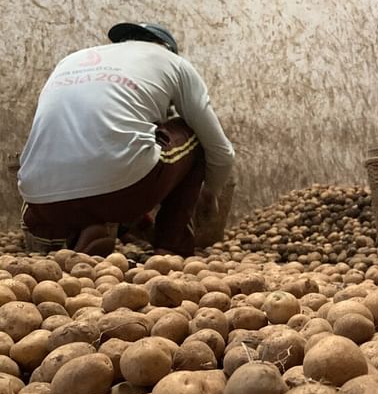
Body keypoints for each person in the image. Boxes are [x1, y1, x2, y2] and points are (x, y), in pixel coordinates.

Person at [17, 22, 235, 257]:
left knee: (125, 145)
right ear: (165, 47)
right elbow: (220, 150)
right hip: (122, 194)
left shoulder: (72, 60)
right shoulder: (173, 62)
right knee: (191, 133)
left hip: (40, 203)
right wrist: (210, 191)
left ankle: (84, 233)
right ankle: (171, 246)